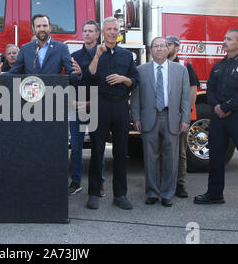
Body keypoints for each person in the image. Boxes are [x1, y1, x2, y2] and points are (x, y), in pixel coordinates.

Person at [194, 29, 238, 217]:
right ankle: (215, 194)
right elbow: (210, 89)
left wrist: (226, 106)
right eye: (224, 38)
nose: (224, 41)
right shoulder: (218, 66)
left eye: (229, 39)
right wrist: (216, 106)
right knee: (216, 156)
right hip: (218, 118)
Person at [83, 17, 139, 210]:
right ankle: (93, 194)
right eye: (109, 29)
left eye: (116, 29)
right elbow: (88, 77)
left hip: (121, 106)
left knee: (121, 152)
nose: (113, 32)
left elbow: (135, 81)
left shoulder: (127, 56)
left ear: (119, 31)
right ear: (103, 32)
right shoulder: (93, 52)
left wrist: (124, 79)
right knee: (97, 151)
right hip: (100, 105)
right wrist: (97, 56)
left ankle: (120, 195)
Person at [131, 37, 191, 207]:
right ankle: (151, 193)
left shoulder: (180, 71)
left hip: (171, 118)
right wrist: (136, 117)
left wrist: (185, 119)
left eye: (162, 46)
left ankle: (167, 194)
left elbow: (185, 98)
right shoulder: (140, 70)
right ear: (151, 50)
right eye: (155, 46)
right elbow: (136, 97)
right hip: (149, 118)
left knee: (171, 158)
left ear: (168, 49)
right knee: (150, 157)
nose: (159, 49)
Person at [68, 20, 106, 196]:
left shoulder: (104, 55)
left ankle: (99, 183)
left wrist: (82, 75)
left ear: (98, 34)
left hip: (98, 106)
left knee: (98, 148)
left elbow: (102, 82)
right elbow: (71, 81)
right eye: (85, 31)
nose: (87, 34)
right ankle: (76, 181)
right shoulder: (74, 55)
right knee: (75, 147)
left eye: (91, 31)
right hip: (77, 107)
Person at [166, 35, 200, 198]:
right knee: (163, 150)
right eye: (165, 44)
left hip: (180, 116)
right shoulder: (159, 65)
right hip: (163, 115)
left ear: (177, 48)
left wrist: (186, 116)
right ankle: (164, 182)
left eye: (170, 44)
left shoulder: (185, 66)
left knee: (180, 152)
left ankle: (180, 185)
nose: (166, 46)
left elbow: (193, 90)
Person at [8, 14, 76, 79]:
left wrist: (77, 74)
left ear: (50, 28)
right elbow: (14, 72)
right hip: (32, 90)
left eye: (45, 26)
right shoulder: (25, 49)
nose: (42, 29)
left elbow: (71, 73)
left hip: (54, 90)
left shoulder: (62, 48)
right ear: (34, 30)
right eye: (38, 26)